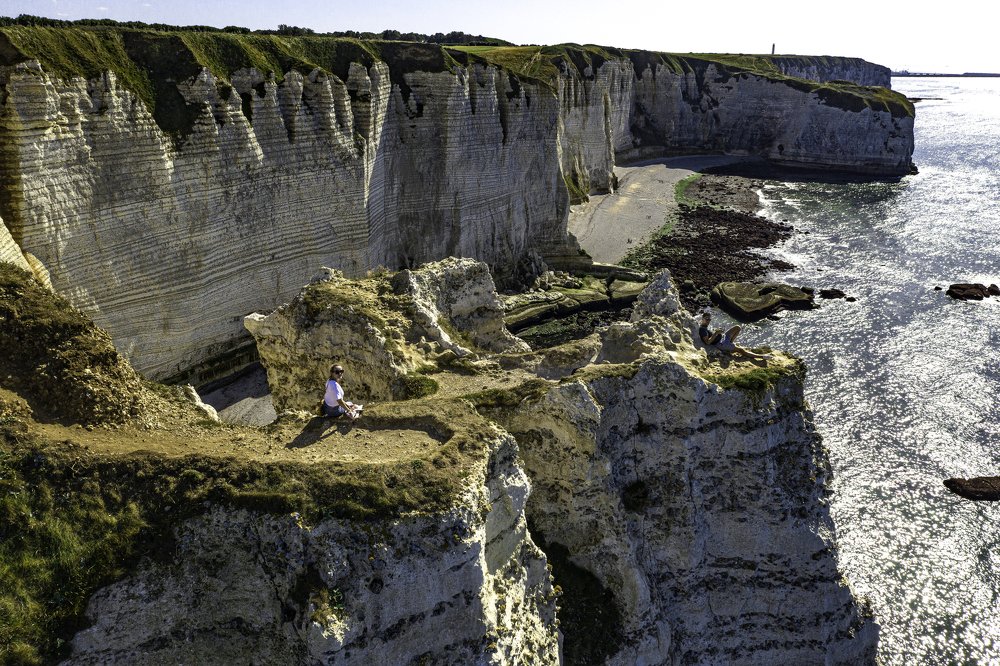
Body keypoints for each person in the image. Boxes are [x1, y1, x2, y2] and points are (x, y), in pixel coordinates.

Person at [698, 312, 771, 361]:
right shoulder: (702, 329)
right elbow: (707, 342)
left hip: (723, 338)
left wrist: (717, 332)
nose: (708, 321)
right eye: (707, 319)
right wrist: (716, 333)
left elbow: (711, 335)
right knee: (741, 350)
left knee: (737, 327)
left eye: (709, 319)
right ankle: (762, 356)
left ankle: (730, 343)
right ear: (702, 319)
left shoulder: (705, 327)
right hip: (720, 343)